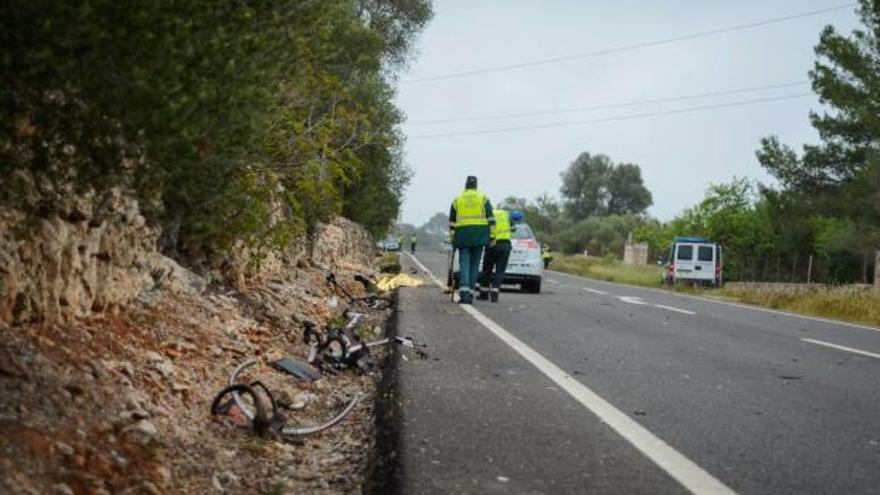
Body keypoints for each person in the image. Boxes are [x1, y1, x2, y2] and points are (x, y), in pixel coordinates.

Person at [449, 176, 494, 304]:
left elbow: (452, 223)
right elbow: (491, 219)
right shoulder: (483, 198)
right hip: (480, 236)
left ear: (465, 185)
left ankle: (464, 295)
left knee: (464, 265)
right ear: (476, 186)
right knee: (475, 265)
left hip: (463, 236)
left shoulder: (457, 200)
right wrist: (492, 237)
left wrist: (453, 239)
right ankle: (471, 294)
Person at [477, 209, 512, 302]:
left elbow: (483, 228)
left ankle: (483, 294)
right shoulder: (506, 214)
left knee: (487, 270)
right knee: (500, 271)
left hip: (492, 244)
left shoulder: (489, 214)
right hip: (505, 245)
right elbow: (513, 228)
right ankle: (494, 294)